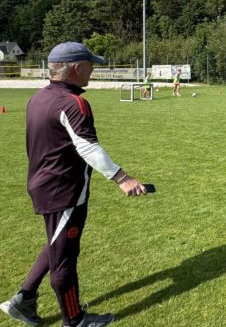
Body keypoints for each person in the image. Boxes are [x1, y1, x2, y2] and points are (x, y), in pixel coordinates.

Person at [0, 42, 149, 327]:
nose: (93, 70)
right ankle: (74, 320)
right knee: (65, 258)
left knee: (56, 244)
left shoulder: (39, 98)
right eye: (91, 65)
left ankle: (24, 298)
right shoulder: (74, 103)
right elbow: (88, 147)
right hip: (63, 191)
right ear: (78, 68)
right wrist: (123, 178)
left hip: (44, 185)